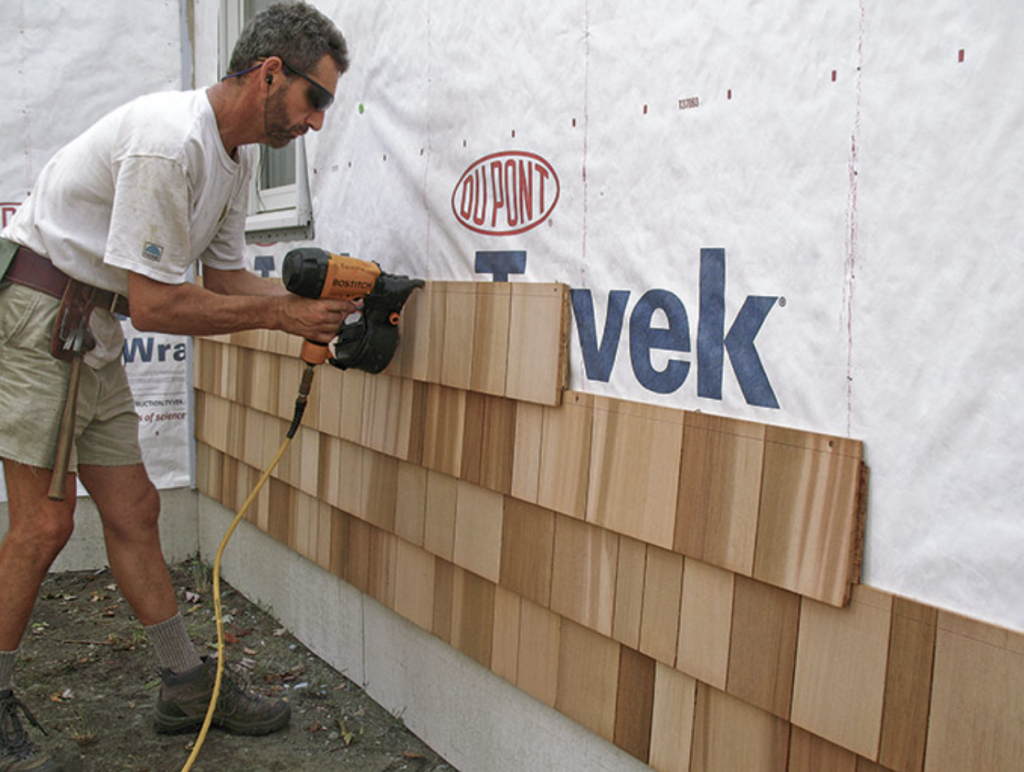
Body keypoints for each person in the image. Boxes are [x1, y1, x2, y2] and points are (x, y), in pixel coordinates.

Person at [0, 3, 354, 770]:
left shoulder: (236, 158)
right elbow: (161, 305)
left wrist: (314, 305)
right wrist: (286, 319)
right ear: (269, 74)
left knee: (134, 508)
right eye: (314, 99)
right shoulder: (169, 143)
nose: (317, 121)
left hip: (87, 326)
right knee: (44, 526)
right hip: (38, 317)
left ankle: (185, 688)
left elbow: (224, 279)